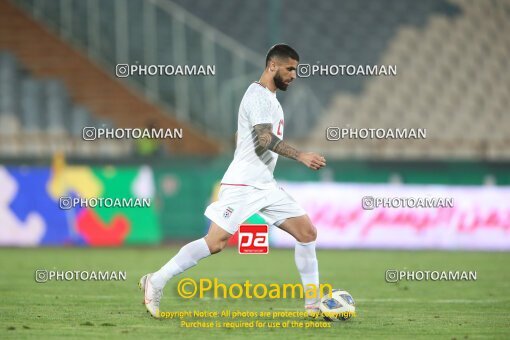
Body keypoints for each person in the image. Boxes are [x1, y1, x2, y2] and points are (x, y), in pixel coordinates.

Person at [140, 44, 327, 318]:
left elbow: (248, 139)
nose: (294, 75)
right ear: (272, 66)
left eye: (296, 70)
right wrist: (300, 156)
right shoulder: (258, 96)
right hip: (243, 184)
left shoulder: (270, 100)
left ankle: (313, 305)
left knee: (307, 233)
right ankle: (155, 280)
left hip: (265, 184)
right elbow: (264, 139)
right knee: (215, 243)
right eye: (290, 69)